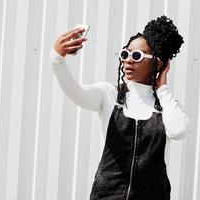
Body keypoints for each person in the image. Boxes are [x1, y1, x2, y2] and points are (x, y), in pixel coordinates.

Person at [50, 15, 190, 200]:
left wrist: (162, 88)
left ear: (158, 63)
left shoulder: (165, 105)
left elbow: (179, 130)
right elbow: (76, 92)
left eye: (137, 55)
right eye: (125, 54)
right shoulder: (110, 95)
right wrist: (57, 59)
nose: (128, 60)